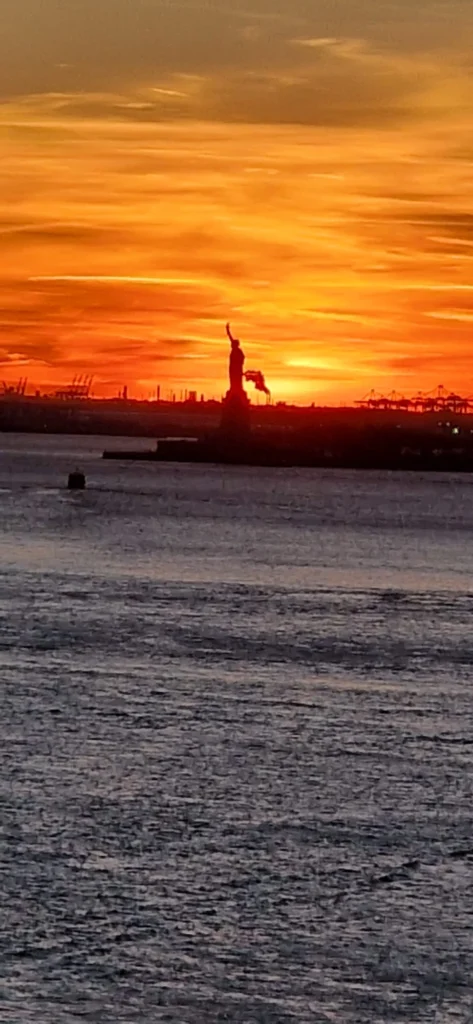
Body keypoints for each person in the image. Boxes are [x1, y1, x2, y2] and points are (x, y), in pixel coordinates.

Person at [226, 323, 245, 394]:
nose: (231, 345)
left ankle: (237, 389)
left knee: (238, 380)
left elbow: (242, 358)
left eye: (233, 344)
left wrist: (239, 364)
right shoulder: (234, 350)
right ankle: (233, 388)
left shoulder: (238, 351)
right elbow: (230, 338)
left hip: (237, 369)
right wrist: (228, 331)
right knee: (232, 379)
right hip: (232, 368)